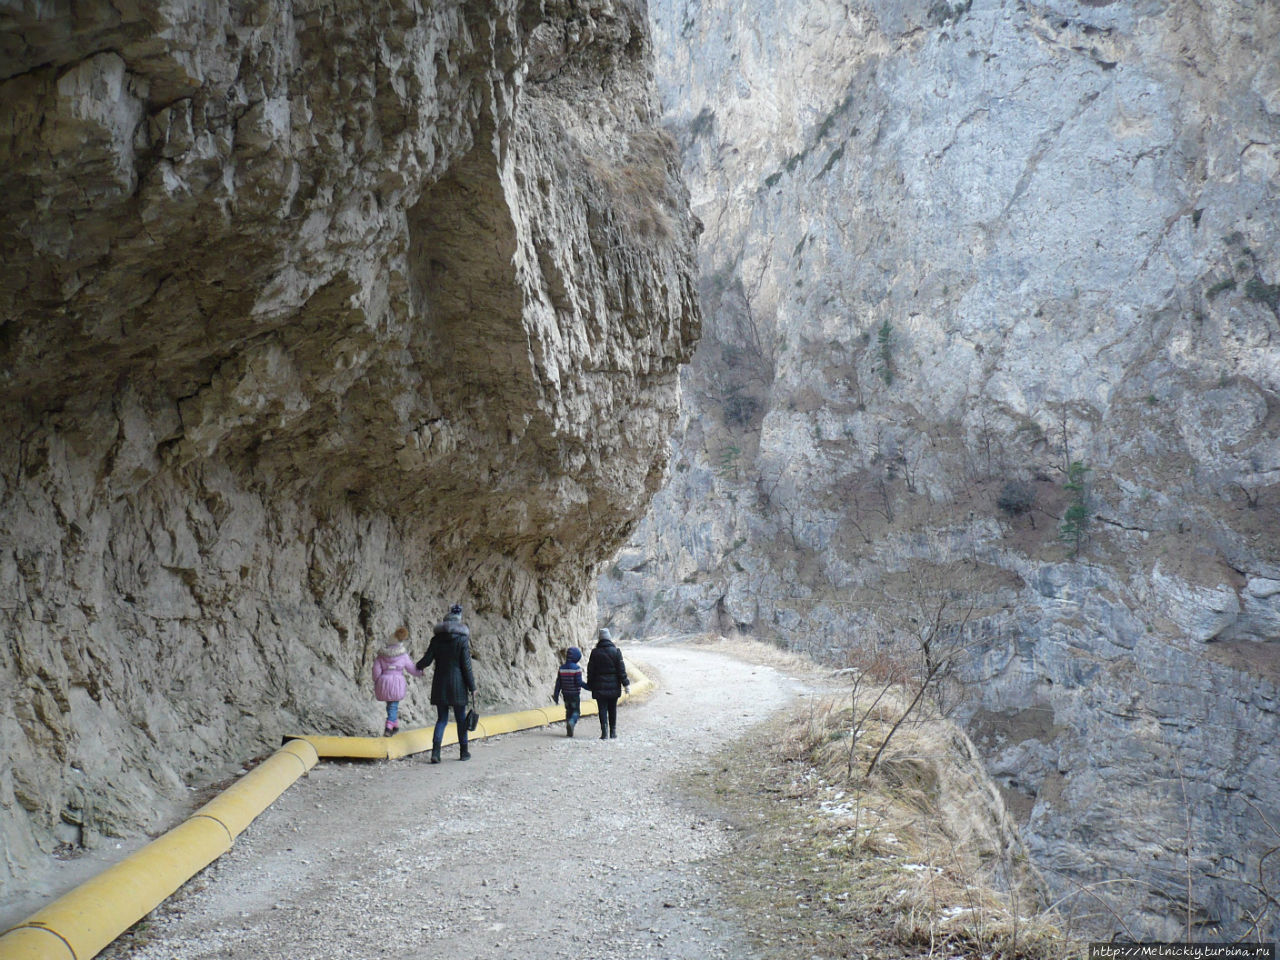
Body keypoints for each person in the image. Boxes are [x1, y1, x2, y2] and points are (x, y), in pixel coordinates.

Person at [416, 603, 476, 763]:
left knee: (441, 719)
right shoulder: (462, 640)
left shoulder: (436, 640)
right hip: (458, 684)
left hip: (440, 682)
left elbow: (427, 660)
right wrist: (472, 687)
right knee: (460, 719)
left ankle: (436, 753)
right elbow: (466, 665)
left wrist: (417, 666)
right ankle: (464, 752)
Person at [372, 626, 422, 736]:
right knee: (394, 705)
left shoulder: (381, 655)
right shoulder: (403, 655)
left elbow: (376, 670)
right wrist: (420, 673)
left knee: (390, 705)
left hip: (384, 681)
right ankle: (388, 727)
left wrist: (377, 681)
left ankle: (395, 726)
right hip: (397, 682)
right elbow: (411, 668)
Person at [586, 628, 629, 740]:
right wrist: (626, 684)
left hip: (599, 686)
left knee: (602, 709)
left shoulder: (594, 653)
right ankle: (613, 732)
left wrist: (590, 684)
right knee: (612, 708)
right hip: (614, 685)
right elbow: (621, 670)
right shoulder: (616, 652)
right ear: (609, 638)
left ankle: (604, 732)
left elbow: (590, 671)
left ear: (599, 639)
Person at [552, 646, 589, 738]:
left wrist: (556, 695)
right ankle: (572, 722)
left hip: (565, 695)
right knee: (576, 711)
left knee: (568, 711)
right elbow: (579, 682)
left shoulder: (561, 668)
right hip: (575, 695)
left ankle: (569, 729)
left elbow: (558, 684)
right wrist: (589, 687)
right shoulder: (577, 669)